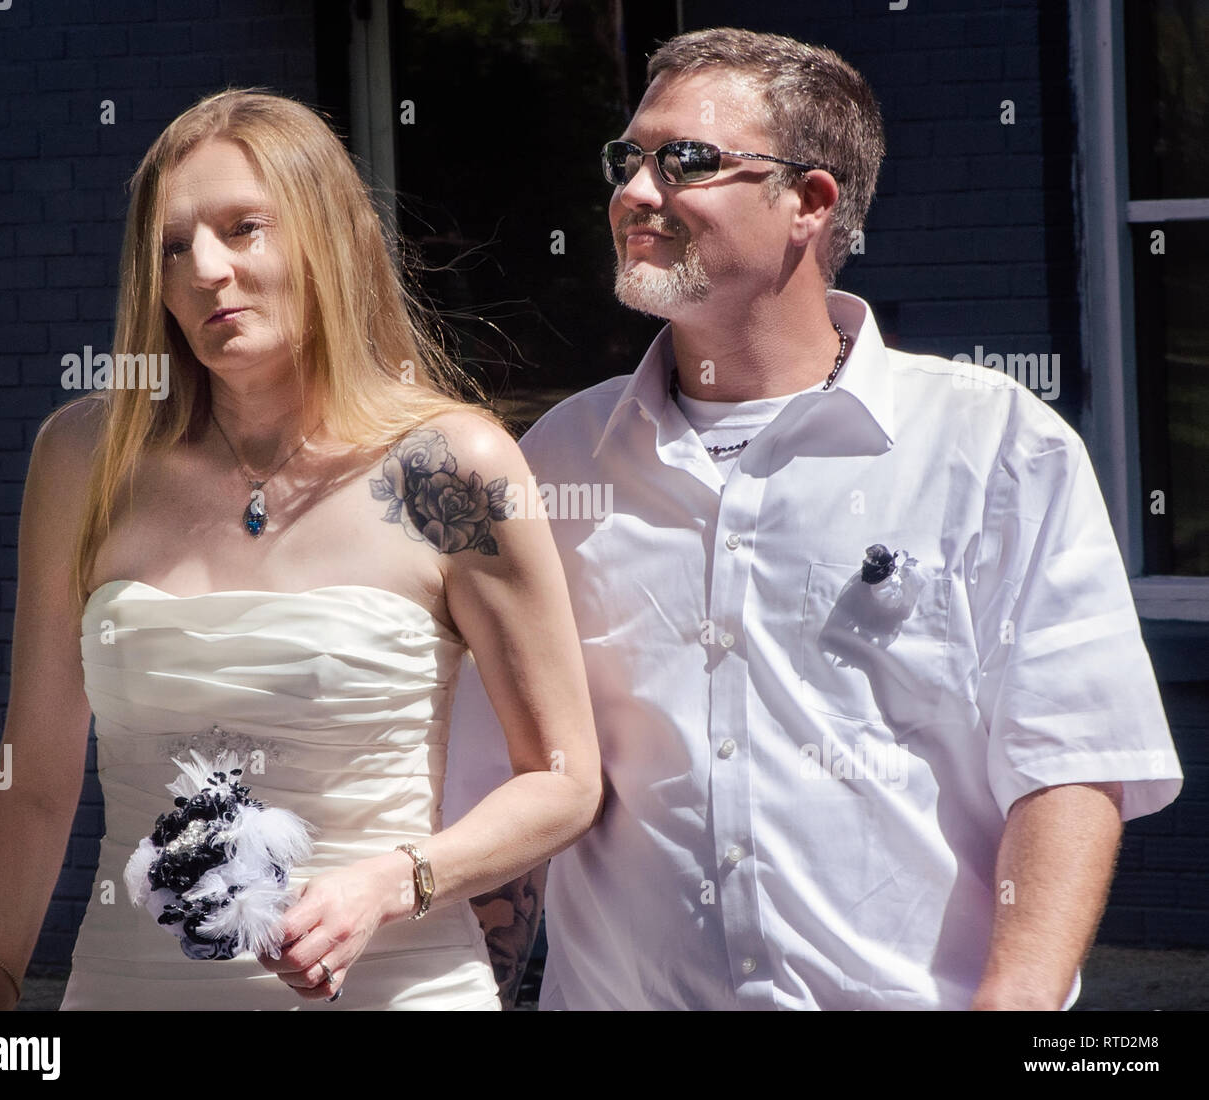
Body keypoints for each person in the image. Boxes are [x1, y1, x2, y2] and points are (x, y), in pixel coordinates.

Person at [445, 28, 1183, 1010]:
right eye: (627, 159)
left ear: (810, 200)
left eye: (686, 161)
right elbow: (514, 775)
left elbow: (1069, 763)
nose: (634, 192)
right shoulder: (556, 464)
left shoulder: (995, 443)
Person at [0, 89, 602, 1011]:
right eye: (172, 246)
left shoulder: (449, 466)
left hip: (398, 988)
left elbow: (564, 780)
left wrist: (390, 882)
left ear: (327, 238)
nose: (204, 270)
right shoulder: (82, 461)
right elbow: (34, 783)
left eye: (242, 228)